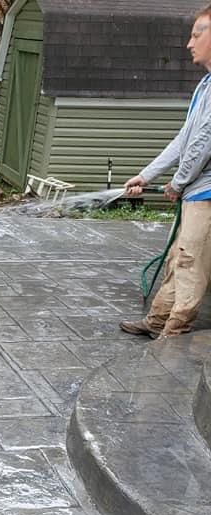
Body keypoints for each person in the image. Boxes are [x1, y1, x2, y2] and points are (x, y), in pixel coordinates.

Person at [121, 5, 211, 339]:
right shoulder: (205, 85)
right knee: (178, 257)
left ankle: (174, 333)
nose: (189, 43)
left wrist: (177, 183)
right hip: (196, 189)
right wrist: (147, 175)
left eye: (197, 33)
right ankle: (159, 320)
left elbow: (204, 143)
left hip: (207, 192)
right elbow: (184, 139)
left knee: (190, 262)